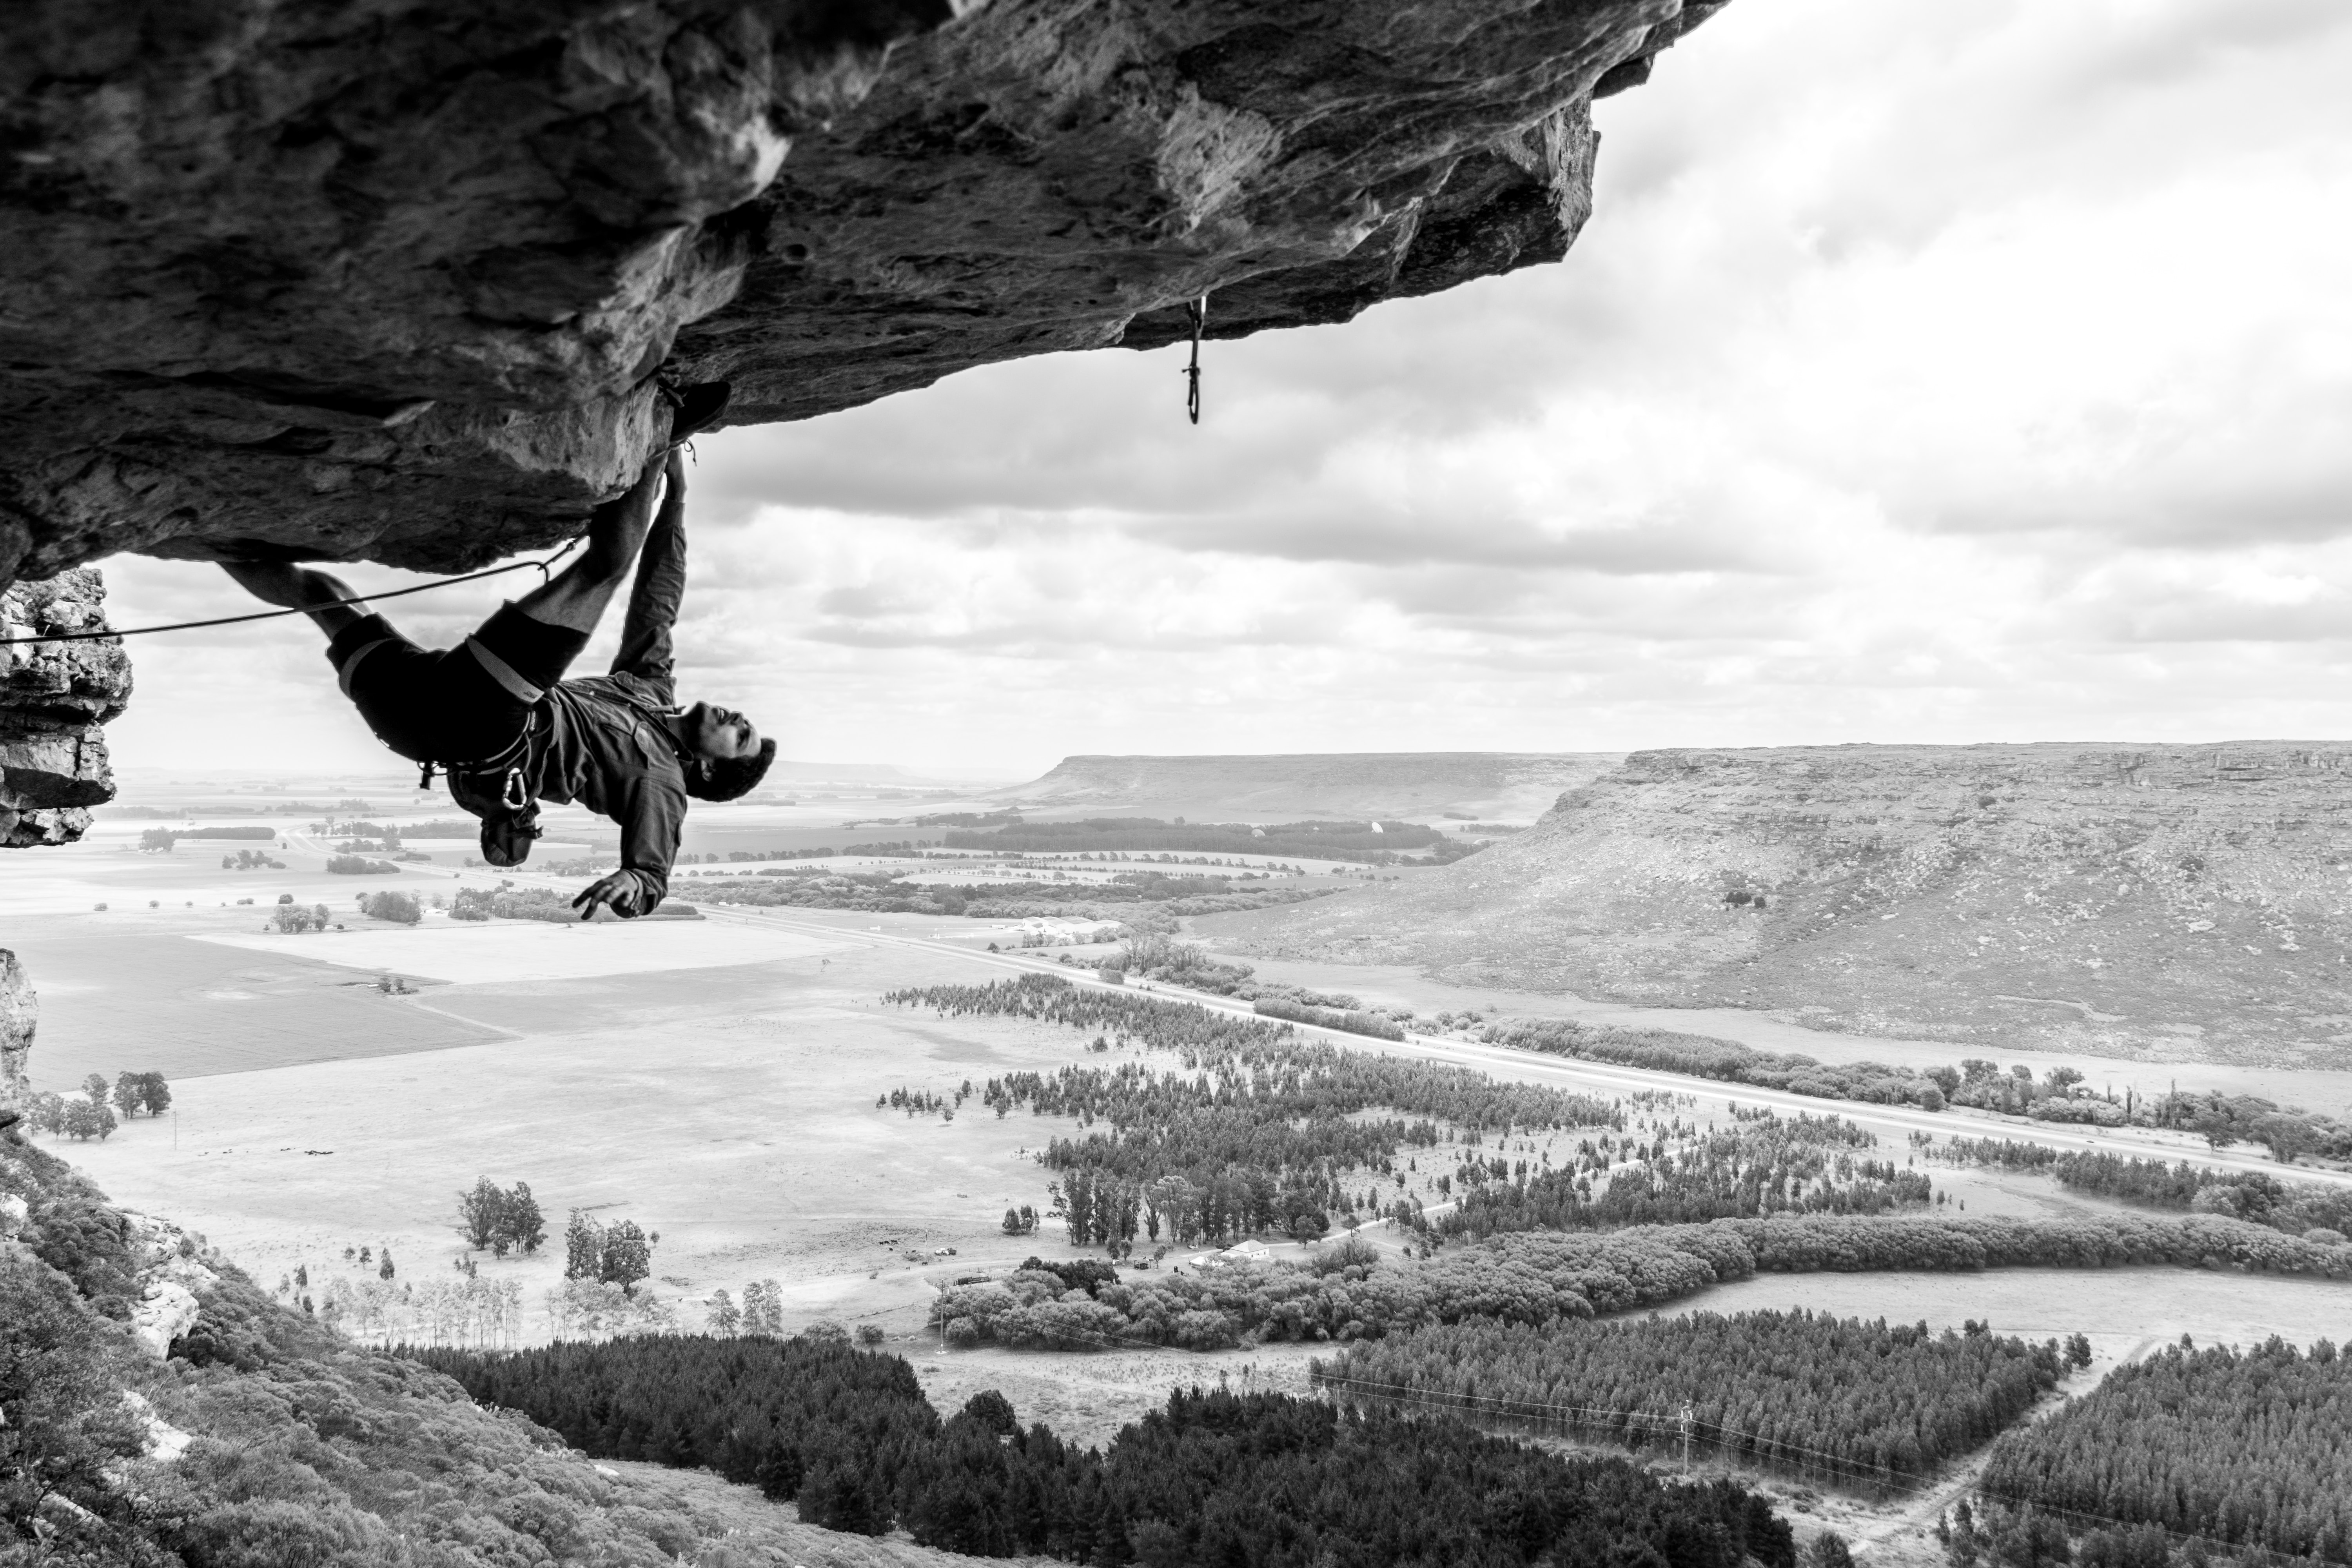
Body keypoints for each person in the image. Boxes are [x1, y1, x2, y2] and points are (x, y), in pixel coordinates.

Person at [220, 434, 771, 920]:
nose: (740, 719)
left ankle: (664, 430)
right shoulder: (649, 688)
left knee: (602, 569)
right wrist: (675, 501)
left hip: (488, 721)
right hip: (417, 714)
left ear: (704, 766)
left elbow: (652, 870)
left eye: (741, 737)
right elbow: (659, 601)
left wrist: (638, 881)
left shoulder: (662, 781)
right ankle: (209, 531)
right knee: (319, 594)